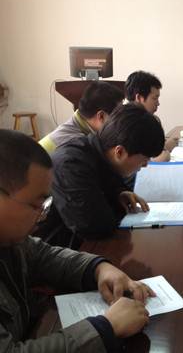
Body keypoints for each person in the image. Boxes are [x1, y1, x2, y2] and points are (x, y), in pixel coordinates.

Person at [0, 128, 152, 351]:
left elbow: (43, 256)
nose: (41, 217)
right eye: (36, 205)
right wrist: (105, 328)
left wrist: (99, 269)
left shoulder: (10, 240)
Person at [34, 103, 165, 248]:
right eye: (144, 159)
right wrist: (115, 204)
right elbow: (94, 226)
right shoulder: (71, 165)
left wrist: (119, 193)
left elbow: (110, 189)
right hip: (56, 249)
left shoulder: (101, 155)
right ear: (119, 152)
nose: (145, 165)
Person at [39, 81, 124, 154]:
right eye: (117, 116)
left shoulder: (75, 126)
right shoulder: (77, 144)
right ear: (101, 116)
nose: (119, 122)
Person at [124, 71, 177, 161]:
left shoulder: (150, 120)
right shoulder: (126, 124)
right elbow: (129, 161)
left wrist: (164, 147)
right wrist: (156, 160)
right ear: (139, 98)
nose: (158, 103)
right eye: (154, 98)